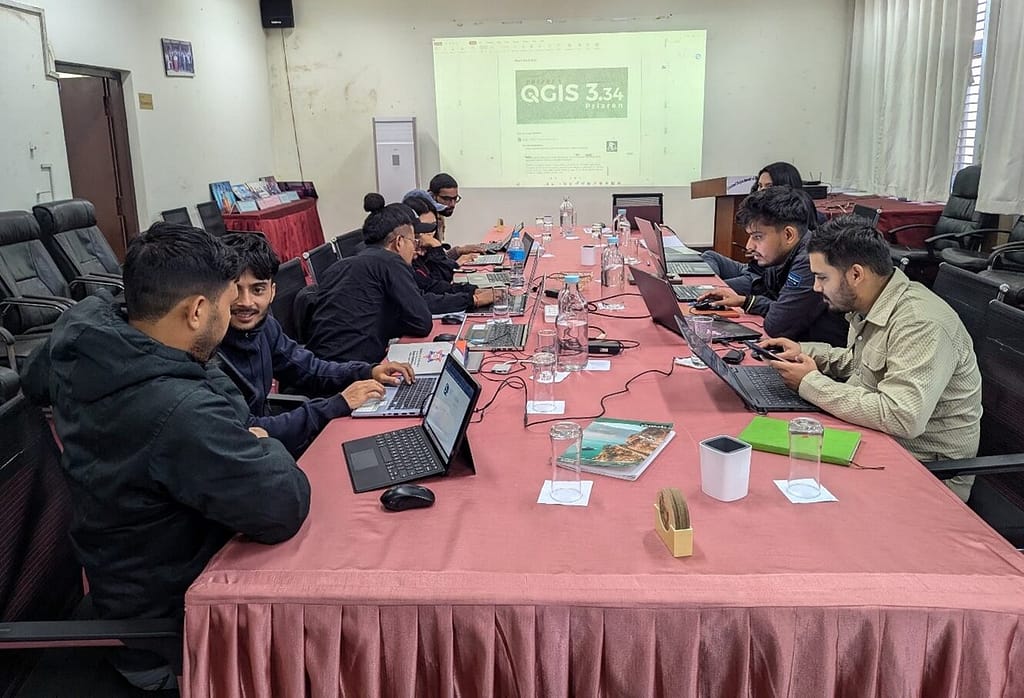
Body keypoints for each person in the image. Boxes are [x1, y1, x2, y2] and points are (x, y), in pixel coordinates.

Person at [20, 223, 310, 689]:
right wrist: (261, 441)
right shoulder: (180, 412)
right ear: (197, 310)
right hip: (170, 631)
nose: (232, 312)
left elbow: (35, 382)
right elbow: (284, 504)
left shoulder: (82, 334)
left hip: (120, 580)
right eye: (224, 302)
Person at [763, 216, 982, 502]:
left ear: (856, 274)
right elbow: (860, 363)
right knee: (780, 465)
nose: (816, 288)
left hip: (927, 473)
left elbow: (902, 416)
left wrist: (809, 382)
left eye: (822, 277)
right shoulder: (873, 302)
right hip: (880, 442)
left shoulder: (920, 323)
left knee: (788, 485)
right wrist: (803, 351)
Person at [217, 233, 415, 455]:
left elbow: (309, 369)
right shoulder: (208, 352)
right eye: (235, 289)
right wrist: (337, 404)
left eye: (257, 289)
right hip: (249, 454)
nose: (246, 302)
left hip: (270, 446)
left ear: (272, 291)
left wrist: (368, 371)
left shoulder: (265, 327)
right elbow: (248, 429)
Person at [696, 187, 848, 345]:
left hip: (825, 362)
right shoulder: (782, 255)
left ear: (788, 235)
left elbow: (777, 324)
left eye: (758, 237)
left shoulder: (808, 261)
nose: (749, 246)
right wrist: (745, 301)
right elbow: (771, 300)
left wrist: (755, 302)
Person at [305, 194, 433, 363]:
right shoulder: (391, 262)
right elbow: (422, 323)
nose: (415, 249)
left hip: (319, 367)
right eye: (413, 242)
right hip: (352, 374)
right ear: (399, 242)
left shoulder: (340, 266)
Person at [403, 192, 494, 313]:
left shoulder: (420, 253)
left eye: (432, 227)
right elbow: (423, 300)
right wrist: (473, 299)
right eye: (423, 228)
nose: (429, 234)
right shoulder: (401, 262)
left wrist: (472, 291)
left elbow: (435, 284)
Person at [423, 175, 486, 257]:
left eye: (455, 199)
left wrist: (460, 250)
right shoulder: (425, 220)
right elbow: (432, 264)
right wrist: (458, 257)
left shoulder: (440, 216)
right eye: (446, 199)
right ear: (432, 196)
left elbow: (439, 257)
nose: (452, 204)